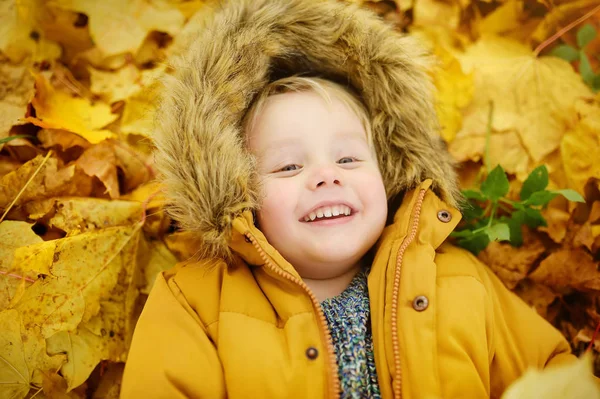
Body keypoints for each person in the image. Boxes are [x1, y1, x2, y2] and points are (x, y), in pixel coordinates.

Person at [120, 0, 575, 398]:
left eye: (349, 158)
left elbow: (555, 376)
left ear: (390, 171)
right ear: (237, 192)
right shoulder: (196, 303)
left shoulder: (459, 282)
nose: (325, 177)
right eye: (288, 166)